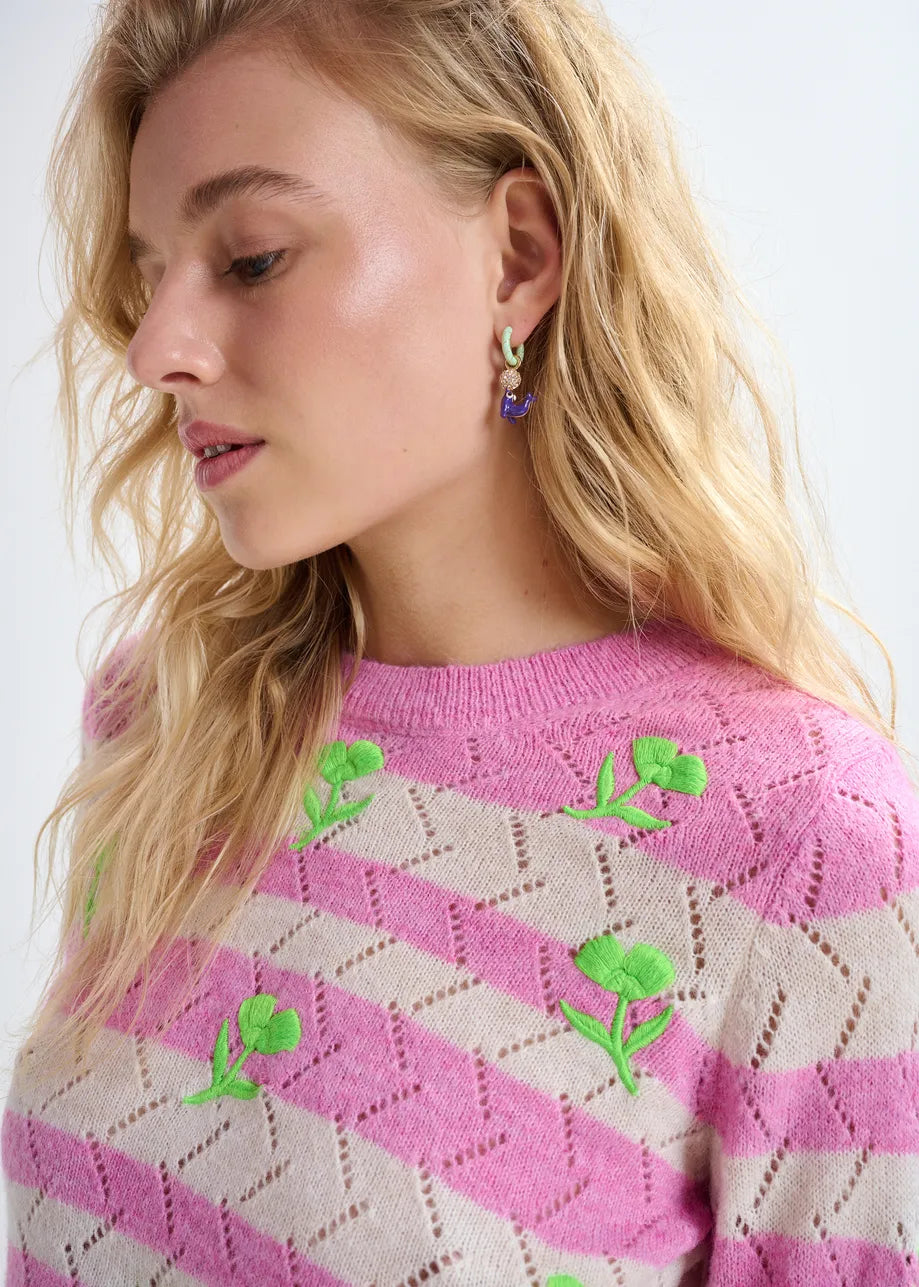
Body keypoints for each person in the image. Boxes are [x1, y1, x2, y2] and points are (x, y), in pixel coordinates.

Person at [3, 1, 917, 1284]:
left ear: (517, 258)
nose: (159, 349)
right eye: (152, 273)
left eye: (252, 258)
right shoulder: (169, 714)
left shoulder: (807, 846)